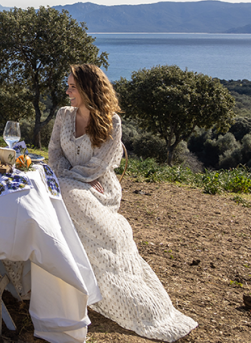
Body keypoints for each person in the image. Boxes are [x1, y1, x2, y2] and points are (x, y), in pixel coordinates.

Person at [47, 64, 197, 342]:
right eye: (67, 86)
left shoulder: (112, 122)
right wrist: (67, 178)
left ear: (88, 90)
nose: (67, 92)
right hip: (69, 183)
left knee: (65, 193)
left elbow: (100, 165)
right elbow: (54, 155)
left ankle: (110, 286)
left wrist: (72, 181)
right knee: (55, 192)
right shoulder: (63, 116)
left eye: (72, 87)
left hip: (100, 188)